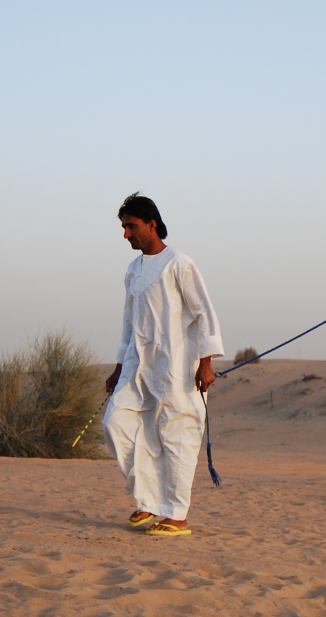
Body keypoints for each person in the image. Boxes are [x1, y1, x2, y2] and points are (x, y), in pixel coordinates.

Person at [102, 193, 224, 537]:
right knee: (116, 422)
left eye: (131, 227)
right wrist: (117, 366)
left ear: (151, 225)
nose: (126, 234)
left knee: (178, 434)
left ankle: (177, 515)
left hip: (176, 366)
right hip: (136, 365)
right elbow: (129, 321)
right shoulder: (134, 270)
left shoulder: (179, 264)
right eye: (124, 227)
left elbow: (204, 313)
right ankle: (149, 500)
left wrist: (206, 362)